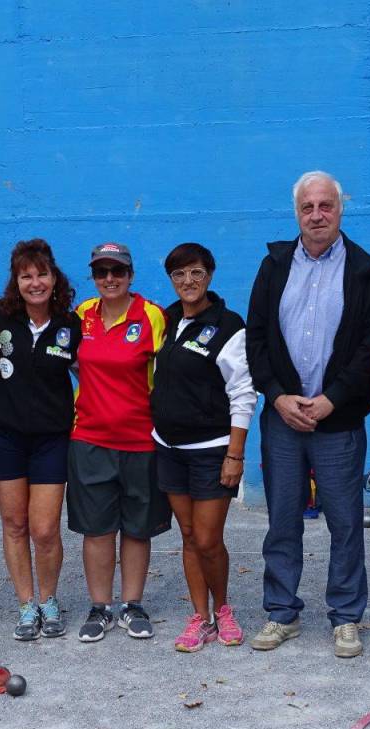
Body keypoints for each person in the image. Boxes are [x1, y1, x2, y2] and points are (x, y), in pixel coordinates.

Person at [246, 170, 370, 658]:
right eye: (308, 208)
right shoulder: (274, 266)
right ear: (296, 213)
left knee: (346, 521)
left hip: (339, 420)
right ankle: (281, 612)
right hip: (282, 418)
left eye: (325, 206)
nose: (316, 215)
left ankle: (346, 616)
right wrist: (277, 395)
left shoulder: (369, 272)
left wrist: (332, 399)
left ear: (340, 209)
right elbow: (257, 337)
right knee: (282, 519)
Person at [150, 243, 258, 652]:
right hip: (169, 448)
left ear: (210, 275)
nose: (188, 281)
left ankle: (224, 607)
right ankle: (201, 617)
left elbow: (243, 394)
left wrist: (235, 454)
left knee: (210, 538)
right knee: (190, 536)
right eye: (179, 274)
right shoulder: (167, 320)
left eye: (195, 272)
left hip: (212, 449)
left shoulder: (229, 326)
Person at [68, 243, 171, 642]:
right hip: (89, 438)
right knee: (96, 530)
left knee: (136, 529)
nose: (109, 278)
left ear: (131, 275)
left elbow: (167, 375)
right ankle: (100, 607)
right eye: (101, 272)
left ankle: (132, 604)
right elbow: (19, 309)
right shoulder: (79, 317)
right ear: (93, 277)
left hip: (141, 440)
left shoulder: (151, 316)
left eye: (118, 271)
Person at [0, 239, 80, 640]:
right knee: (15, 524)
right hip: (3, 435)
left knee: (44, 529)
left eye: (42, 274)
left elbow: (91, 377)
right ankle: (26, 606)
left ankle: (50, 599)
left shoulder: (73, 325)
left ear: (54, 278)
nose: (35, 282)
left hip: (52, 438)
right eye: (26, 275)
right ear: (16, 280)